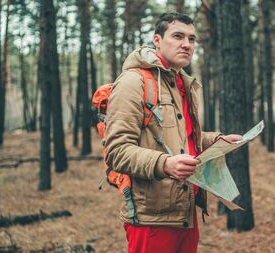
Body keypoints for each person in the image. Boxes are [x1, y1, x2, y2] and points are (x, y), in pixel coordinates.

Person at [104, 12, 242, 253]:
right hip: (151, 220)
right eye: (178, 36)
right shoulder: (132, 82)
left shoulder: (181, 84)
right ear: (157, 40)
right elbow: (116, 151)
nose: (186, 44)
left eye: (191, 39)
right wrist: (165, 164)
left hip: (185, 213)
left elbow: (183, 137)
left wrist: (216, 140)